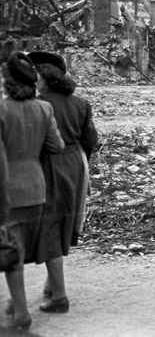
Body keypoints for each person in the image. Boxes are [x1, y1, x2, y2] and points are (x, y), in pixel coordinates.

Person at [28, 51, 99, 315]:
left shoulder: (38, 103)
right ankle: (50, 286)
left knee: (48, 228)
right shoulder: (80, 102)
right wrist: (81, 162)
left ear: (44, 76)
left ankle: (59, 296)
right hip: (76, 164)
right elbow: (90, 139)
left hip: (48, 165)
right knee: (65, 224)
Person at [1, 52, 65, 331]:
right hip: (37, 187)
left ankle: (22, 312)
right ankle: (16, 303)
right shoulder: (43, 109)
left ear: (7, 82)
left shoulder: (2, 110)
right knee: (21, 247)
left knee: (12, 251)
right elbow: (57, 146)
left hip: (9, 189)